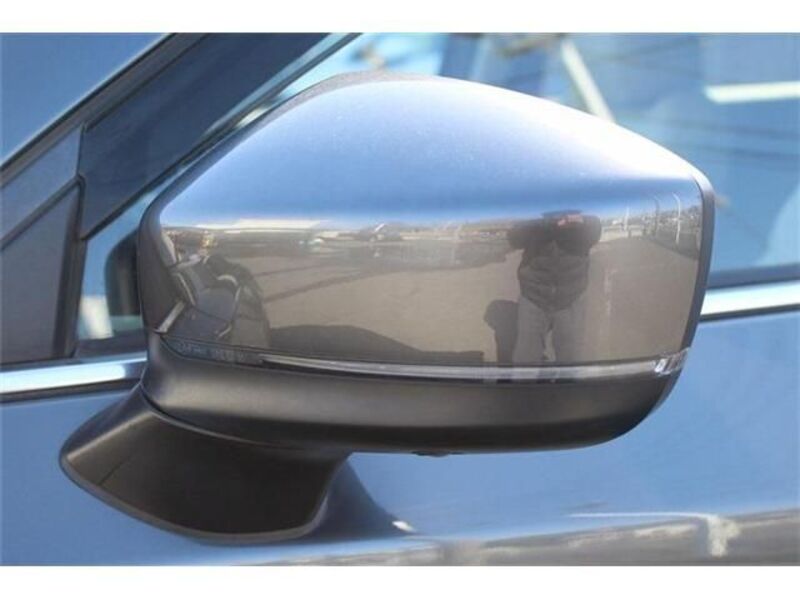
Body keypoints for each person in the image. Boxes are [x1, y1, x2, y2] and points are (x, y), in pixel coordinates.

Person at [508, 211, 602, 363]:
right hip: (533, 296)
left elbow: (595, 232)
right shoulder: (534, 208)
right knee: (525, 361)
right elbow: (514, 238)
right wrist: (548, 223)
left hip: (571, 297)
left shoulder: (581, 207)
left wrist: (581, 221)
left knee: (570, 359)